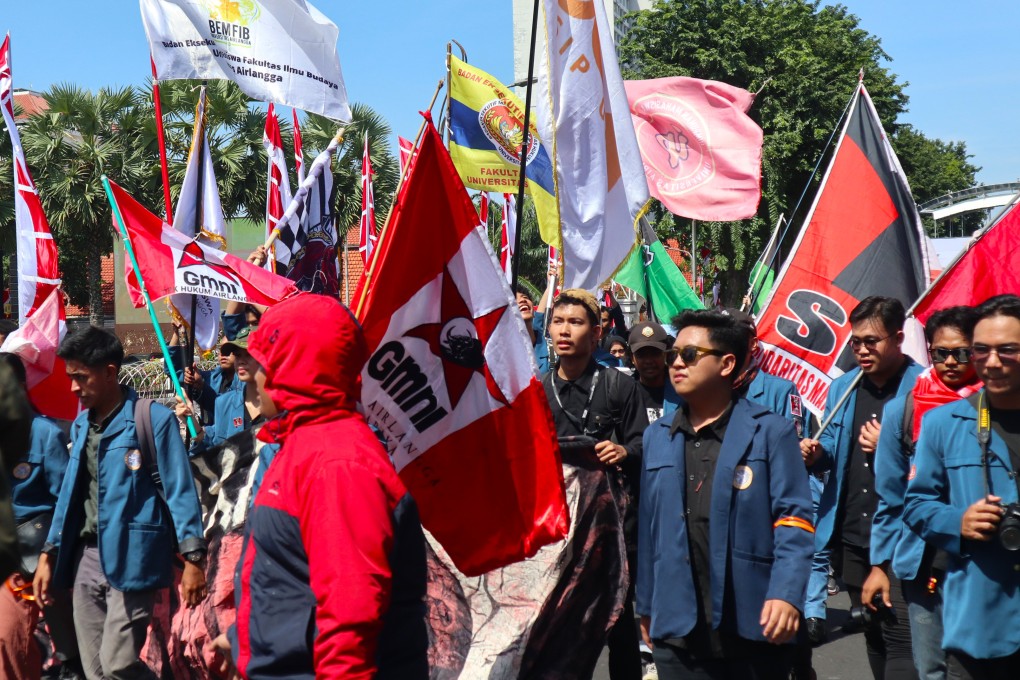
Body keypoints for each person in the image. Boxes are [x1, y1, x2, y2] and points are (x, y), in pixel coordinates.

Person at [214, 294, 428, 679]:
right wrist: (243, 637)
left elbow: (351, 615)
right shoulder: (300, 443)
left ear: (291, 367)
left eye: (263, 359)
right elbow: (290, 575)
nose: (253, 372)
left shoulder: (338, 462)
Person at [637, 309, 814, 679]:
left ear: (727, 363)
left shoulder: (771, 432)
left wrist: (786, 593)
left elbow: (794, 522)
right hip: (677, 630)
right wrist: (647, 603)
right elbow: (649, 530)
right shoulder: (657, 436)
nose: (676, 364)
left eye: (689, 355)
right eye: (673, 355)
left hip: (750, 623)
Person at [33, 326, 207, 680]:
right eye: (70, 377)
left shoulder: (152, 419)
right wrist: (49, 554)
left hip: (134, 558)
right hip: (85, 561)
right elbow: (69, 494)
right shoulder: (82, 425)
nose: (73, 388)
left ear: (109, 373)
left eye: (80, 377)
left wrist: (193, 558)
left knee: (117, 665)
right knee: (95, 670)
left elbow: (179, 489)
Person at [801, 296, 924, 678]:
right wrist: (814, 456)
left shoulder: (923, 388)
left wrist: (891, 444)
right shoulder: (843, 388)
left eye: (872, 340)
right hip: (853, 531)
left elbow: (935, 465)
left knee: (902, 638)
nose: (862, 349)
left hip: (904, 534)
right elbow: (833, 461)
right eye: (856, 341)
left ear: (899, 338)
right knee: (872, 630)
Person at [903, 295, 1020, 678]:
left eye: (1008, 350)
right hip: (980, 620)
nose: (993, 362)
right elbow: (917, 504)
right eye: (981, 350)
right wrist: (959, 522)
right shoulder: (942, 423)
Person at [864, 306, 980, 680]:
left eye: (961, 353)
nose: (950, 362)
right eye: (939, 352)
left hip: (985, 561)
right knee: (931, 667)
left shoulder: (997, 406)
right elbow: (891, 497)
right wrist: (880, 565)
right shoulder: (904, 409)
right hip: (923, 563)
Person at [544, 288, 649, 680]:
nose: (564, 331)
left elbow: (645, 443)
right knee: (561, 628)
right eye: (558, 322)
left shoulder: (619, 387)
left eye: (575, 322)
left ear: (596, 334)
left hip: (615, 532)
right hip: (560, 533)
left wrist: (624, 452)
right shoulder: (539, 392)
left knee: (617, 623)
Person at [0, 354, 82, 680]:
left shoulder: (46, 434)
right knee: (8, 642)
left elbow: (66, 502)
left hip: (42, 558)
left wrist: (51, 553)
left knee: (69, 653)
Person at [629, 321, 681, 424]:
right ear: (632, 358)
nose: (648, 360)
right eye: (641, 355)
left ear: (666, 354)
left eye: (655, 353)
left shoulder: (681, 394)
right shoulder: (624, 395)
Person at [516, 277, 554, 374]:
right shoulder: (503, 356)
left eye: (525, 297)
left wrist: (552, 283)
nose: (522, 300)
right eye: (514, 300)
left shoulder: (551, 348)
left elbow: (540, 314)